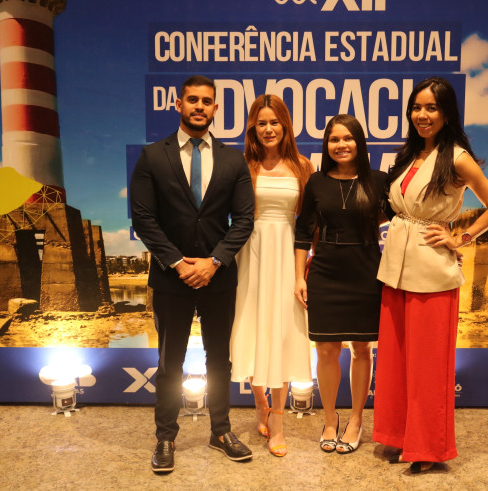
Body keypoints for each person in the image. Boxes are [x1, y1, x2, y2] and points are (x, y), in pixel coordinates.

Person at [373, 77, 488, 473]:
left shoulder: (458, 158)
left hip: (432, 271)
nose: (422, 115)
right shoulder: (411, 154)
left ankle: (428, 448)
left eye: (431, 108)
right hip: (395, 268)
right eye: (417, 107)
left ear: (447, 113)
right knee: (396, 360)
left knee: (428, 367)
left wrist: (460, 237)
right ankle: (401, 437)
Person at [130, 75, 256, 474]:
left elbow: (244, 220)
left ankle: (221, 432)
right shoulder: (153, 156)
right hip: (172, 279)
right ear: (178, 104)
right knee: (170, 363)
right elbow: (143, 219)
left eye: (206, 101)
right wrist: (178, 262)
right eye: (192, 100)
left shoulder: (233, 160)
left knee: (220, 360)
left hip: (219, 277)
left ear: (216, 108)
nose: (199, 106)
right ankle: (165, 437)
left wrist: (213, 262)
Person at [293, 114, 390, 455]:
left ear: (359, 142)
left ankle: (357, 420)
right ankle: (330, 419)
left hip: (366, 271)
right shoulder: (316, 182)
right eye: (334, 139)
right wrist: (298, 277)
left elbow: (404, 219)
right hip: (325, 272)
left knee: (362, 349)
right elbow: (303, 232)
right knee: (326, 350)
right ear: (327, 145)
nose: (341, 145)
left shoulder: (379, 181)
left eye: (348, 138)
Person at [230, 94, 314, 457]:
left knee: (282, 333)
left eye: (274, 122)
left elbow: (307, 222)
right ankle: (260, 403)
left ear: (285, 126)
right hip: (250, 253)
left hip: (287, 254)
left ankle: (277, 421)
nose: (268, 129)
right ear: (253, 128)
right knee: (252, 329)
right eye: (261, 123)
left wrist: (305, 267)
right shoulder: (242, 166)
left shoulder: (303, 166)